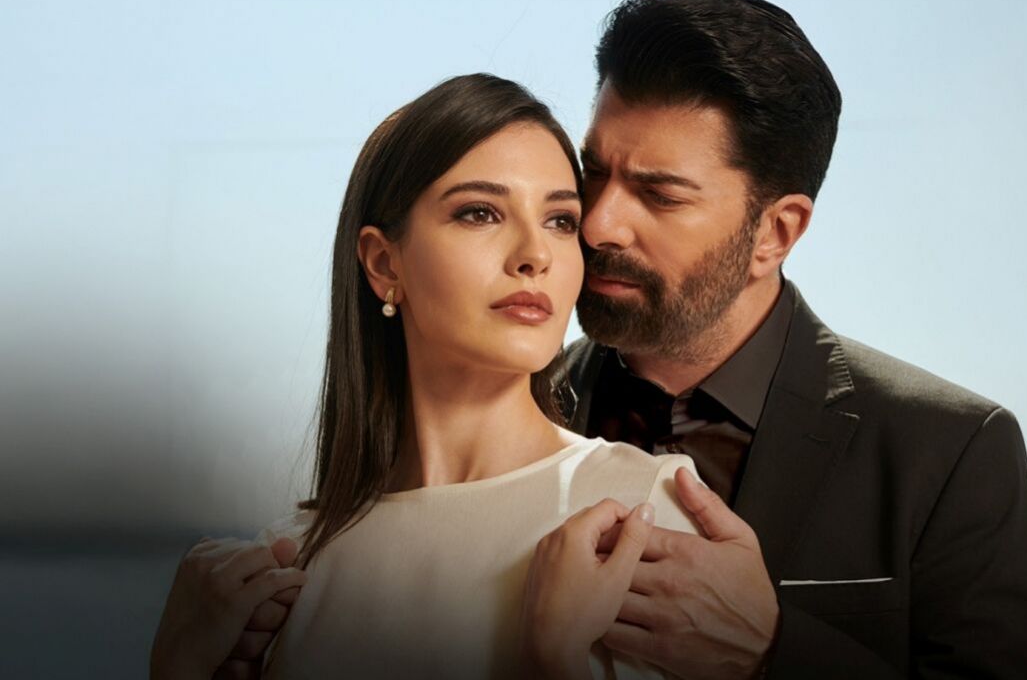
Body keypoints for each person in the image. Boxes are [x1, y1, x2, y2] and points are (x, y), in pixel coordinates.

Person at [542, 0, 1027, 678]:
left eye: (659, 194)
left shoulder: (950, 451)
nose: (599, 223)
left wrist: (771, 649)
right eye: (594, 173)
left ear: (776, 233)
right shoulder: (499, 406)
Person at [149, 73, 709, 680]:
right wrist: (176, 668)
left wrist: (555, 658)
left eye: (560, 221)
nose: (535, 255)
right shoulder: (287, 566)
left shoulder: (641, 509)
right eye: (480, 213)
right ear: (384, 263)